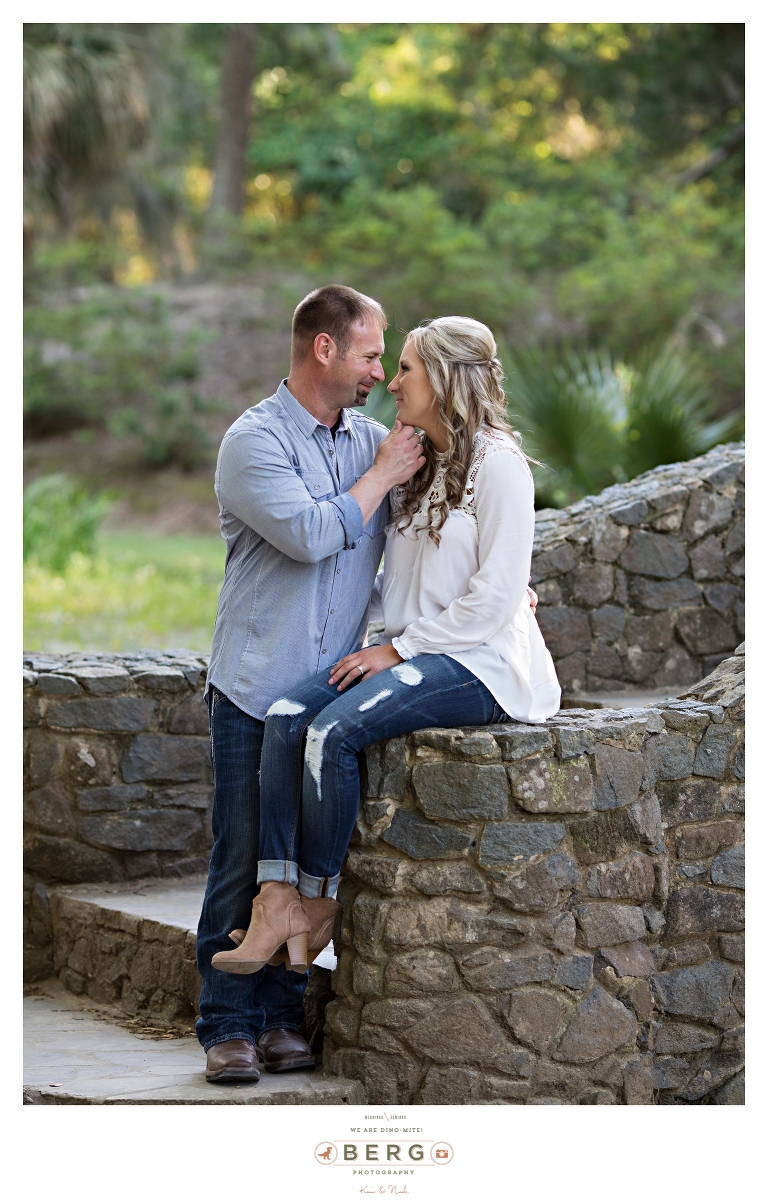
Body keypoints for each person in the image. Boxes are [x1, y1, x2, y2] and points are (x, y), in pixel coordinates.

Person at [211, 316, 561, 982]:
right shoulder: (415, 463)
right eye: (388, 364)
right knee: (289, 717)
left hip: (482, 665)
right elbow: (396, 585)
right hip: (420, 651)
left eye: (404, 369)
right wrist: (386, 633)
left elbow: (493, 599)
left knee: (331, 733)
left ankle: (318, 902)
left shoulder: (502, 465)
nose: (391, 382)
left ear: (446, 378)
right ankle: (277, 900)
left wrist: (398, 650)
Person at [197, 284, 426, 1083]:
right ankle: (225, 1022)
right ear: (323, 349)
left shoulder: (369, 439)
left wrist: (503, 587)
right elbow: (309, 534)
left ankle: (280, 1020)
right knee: (243, 859)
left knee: (294, 870)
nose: (378, 372)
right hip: (256, 689)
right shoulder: (251, 441)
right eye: (370, 353)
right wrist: (383, 472)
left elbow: (430, 534)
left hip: (328, 695)